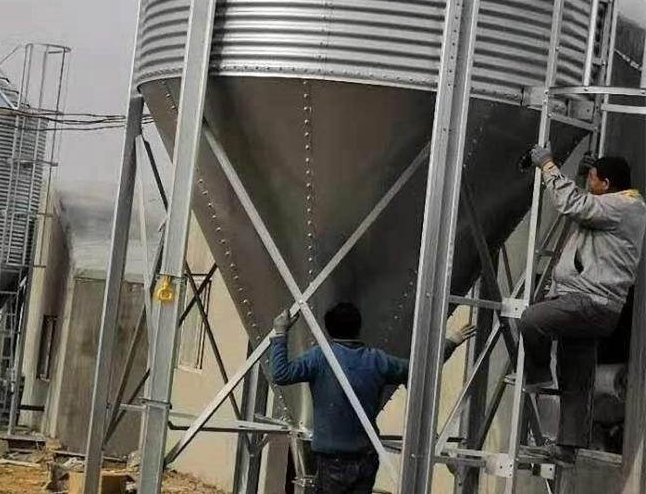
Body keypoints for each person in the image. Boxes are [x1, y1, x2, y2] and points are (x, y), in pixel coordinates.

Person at [519, 148, 645, 462]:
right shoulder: (614, 204)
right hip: (590, 303)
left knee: (531, 320)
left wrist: (547, 164)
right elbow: (580, 207)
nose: (589, 183)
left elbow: (572, 204)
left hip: (589, 302)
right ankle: (568, 447)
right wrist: (577, 178)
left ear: (606, 183)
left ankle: (537, 377)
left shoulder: (624, 207)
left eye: (592, 179)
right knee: (575, 377)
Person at [270, 301, 474, 493]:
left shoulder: (320, 357)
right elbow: (419, 370)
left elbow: (280, 374)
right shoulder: (377, 360)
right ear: (359, 328)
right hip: (365, 458)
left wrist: (281, 333)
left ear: (328, 329)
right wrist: (451, 342)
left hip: (332, 460)